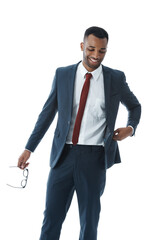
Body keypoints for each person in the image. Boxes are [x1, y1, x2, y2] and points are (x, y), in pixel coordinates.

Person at [18, 26, 141, 240]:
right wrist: (29, 148)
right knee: (51, 220)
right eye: (91, 49)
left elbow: (135, 106)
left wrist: (130, 129)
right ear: (82, 46)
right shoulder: (63, 74)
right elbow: (47, 114)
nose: (95, 55)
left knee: (89, 222)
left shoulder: (115, 78)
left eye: (101, 51)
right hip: (63, 156)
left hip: (94, 158)